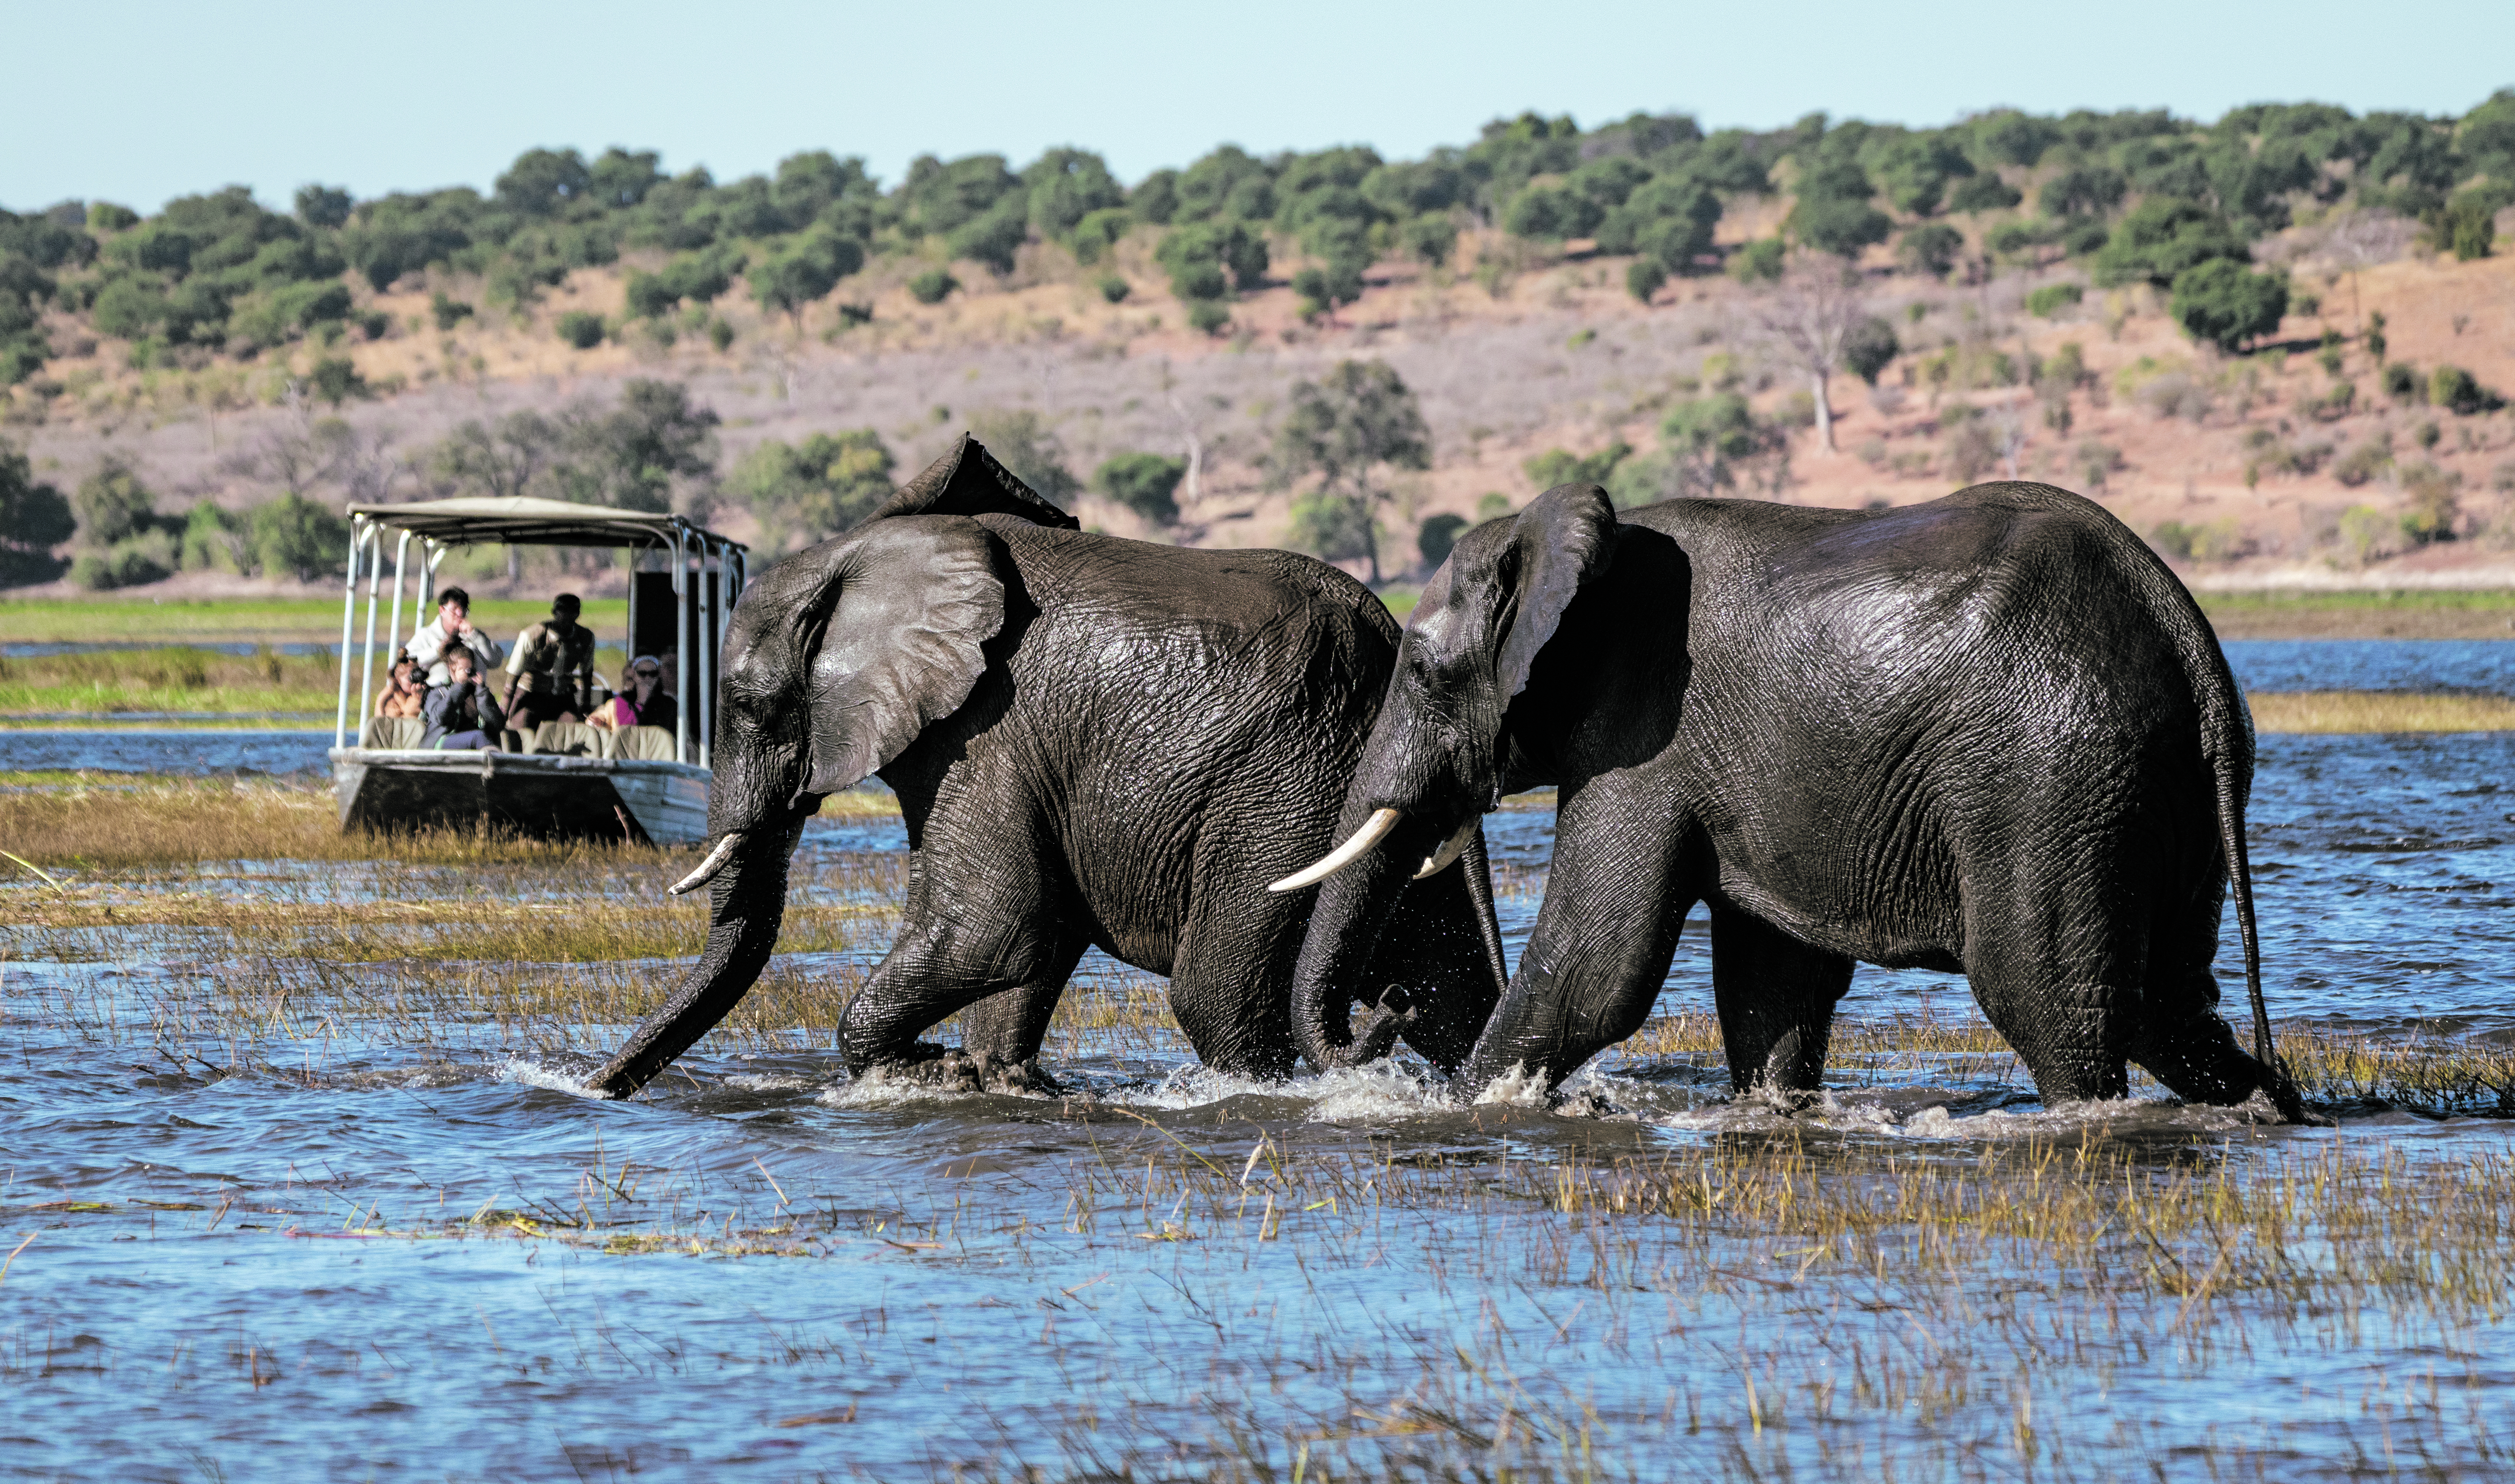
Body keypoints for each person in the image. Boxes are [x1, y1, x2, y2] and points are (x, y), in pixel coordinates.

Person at [504, 592, 596, 732]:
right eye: (563, 611)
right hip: (531, 694)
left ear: (578, 614)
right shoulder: (531, 635)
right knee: (520, 731)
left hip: (563, 696)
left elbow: (587, 674)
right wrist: (505, 711)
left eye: (574, 611)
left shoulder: (585, 637)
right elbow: (513, 675)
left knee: (573, 729)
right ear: (554, 612)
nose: (568, 615)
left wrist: (585, 704)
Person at [407, 587, 506, 686]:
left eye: (463, 609)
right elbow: (408, 663)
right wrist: (440, 650)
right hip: (439, 696)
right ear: (442, 610)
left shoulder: (475, 636)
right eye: (454, 609)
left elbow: (496, 662)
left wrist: (474, 636)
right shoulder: (426, 635)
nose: (460, 614)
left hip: (473, 697)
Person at [422, 644, 506, 751]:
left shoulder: (478, 693)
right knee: (478, 737)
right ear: (452, 670)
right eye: (463, 669)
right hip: (440, 742)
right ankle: (498, 765)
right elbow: (442, 718)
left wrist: (482, 693)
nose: (468, 674)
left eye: (470, 670)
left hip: (472, 741)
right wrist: (459, 687)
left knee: (483, 736)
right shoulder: (437, 692)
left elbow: (498, 724)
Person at [588, 654, 677, 733]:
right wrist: (641, 703)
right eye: (642, 674)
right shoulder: (624, 700)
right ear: (635, 676)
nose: (648, 678)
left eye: (653, 674)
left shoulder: (669, 703)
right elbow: (626, 731)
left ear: (659, 676)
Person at [372, 653, 426, 719]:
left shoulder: (425, 692)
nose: (416, 680)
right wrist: (417, 700)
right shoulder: (390, 701)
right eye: (410, 677)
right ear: (397, 680)